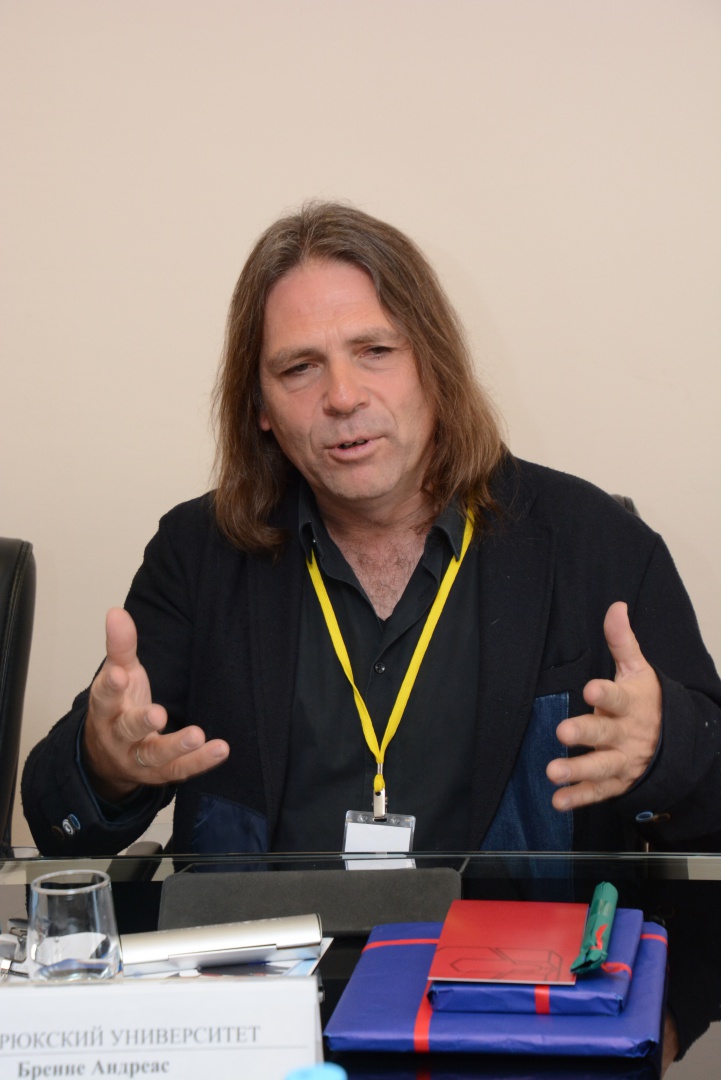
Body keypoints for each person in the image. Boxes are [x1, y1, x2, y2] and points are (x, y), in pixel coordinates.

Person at [21, 202, 721, 857]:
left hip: (509, 948)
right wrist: (103, 765)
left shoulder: (595, 543)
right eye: (300, 368)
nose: (342, 396)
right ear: (259, 406)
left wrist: (665, 747)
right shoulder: (197, 553)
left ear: (435, 368)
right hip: (268, 949)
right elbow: (58, 822)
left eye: (375, 351)